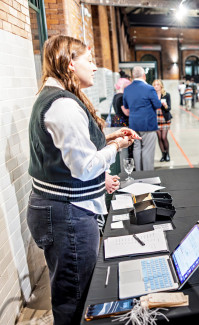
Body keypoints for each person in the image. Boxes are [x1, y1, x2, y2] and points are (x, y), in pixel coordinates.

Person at [26, 35, 139, 324]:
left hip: (61, 211)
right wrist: (115, 148)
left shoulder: (57, 98)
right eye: (90, 60)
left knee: (71, 290)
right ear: (70, 63)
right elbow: (85, 167)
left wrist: (108, 137)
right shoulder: (63, 105)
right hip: (67, 215)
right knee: (75, 298)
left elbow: (71, 153)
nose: (96, 67)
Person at [123, 66, 161, 171]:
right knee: (147, 150)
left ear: (132, 76)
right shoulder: (149, 88)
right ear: (144, 76)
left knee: (136, 148)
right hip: (147, 124)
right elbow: (157, 104)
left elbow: (126, 106)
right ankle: (147, 175)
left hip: (134, 124)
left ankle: (138, 173)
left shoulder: (127, 89)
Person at [152, 79, 172, 162]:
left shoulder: (166, 95)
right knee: (159, 138)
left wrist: (165, 105)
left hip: (164, 118)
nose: (156, 86)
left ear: (161, 86)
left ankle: (167, 154)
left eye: (158, 84)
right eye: (155, 85)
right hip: (155, 119)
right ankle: (163, 154)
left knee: (164, 137)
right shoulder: (152, 95)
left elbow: (169, 108)